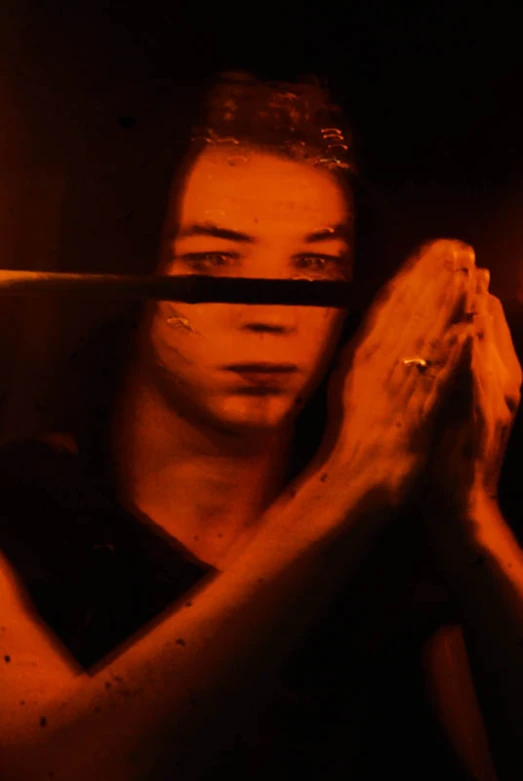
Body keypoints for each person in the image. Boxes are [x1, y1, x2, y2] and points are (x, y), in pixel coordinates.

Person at [0, 72, 522, 781]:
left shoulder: (390, 559)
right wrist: (349, 480)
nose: (272, 312)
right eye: (215, 261)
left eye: (314, 265)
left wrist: (472, 515)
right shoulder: (21, 510)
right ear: (139, 264)